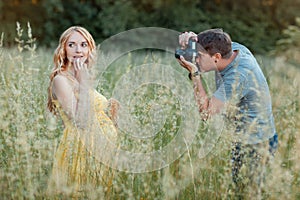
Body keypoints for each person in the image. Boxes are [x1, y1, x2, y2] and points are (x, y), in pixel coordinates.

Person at [176, 28, 278, 196]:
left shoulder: (238, 75)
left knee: (248, 194)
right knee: (239, 190)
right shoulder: (232, 49)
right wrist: (194, 40)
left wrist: (195, 74)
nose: (196, 60)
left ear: (216, 57)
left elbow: (206, 114)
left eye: (199, 57)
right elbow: (217, 38)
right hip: (245, 139)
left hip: (256, 144)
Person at [47, 26, 119, 198]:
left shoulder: (80, 76)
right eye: (71, 45)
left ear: (89, 49)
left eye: (83, 45)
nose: (78, 50)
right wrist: (84, 80)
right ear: (63, 49)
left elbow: (92, 114)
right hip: (79, 150)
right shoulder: (60, 79)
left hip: (99, 151)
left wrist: (110, 113)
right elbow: (81, 121)